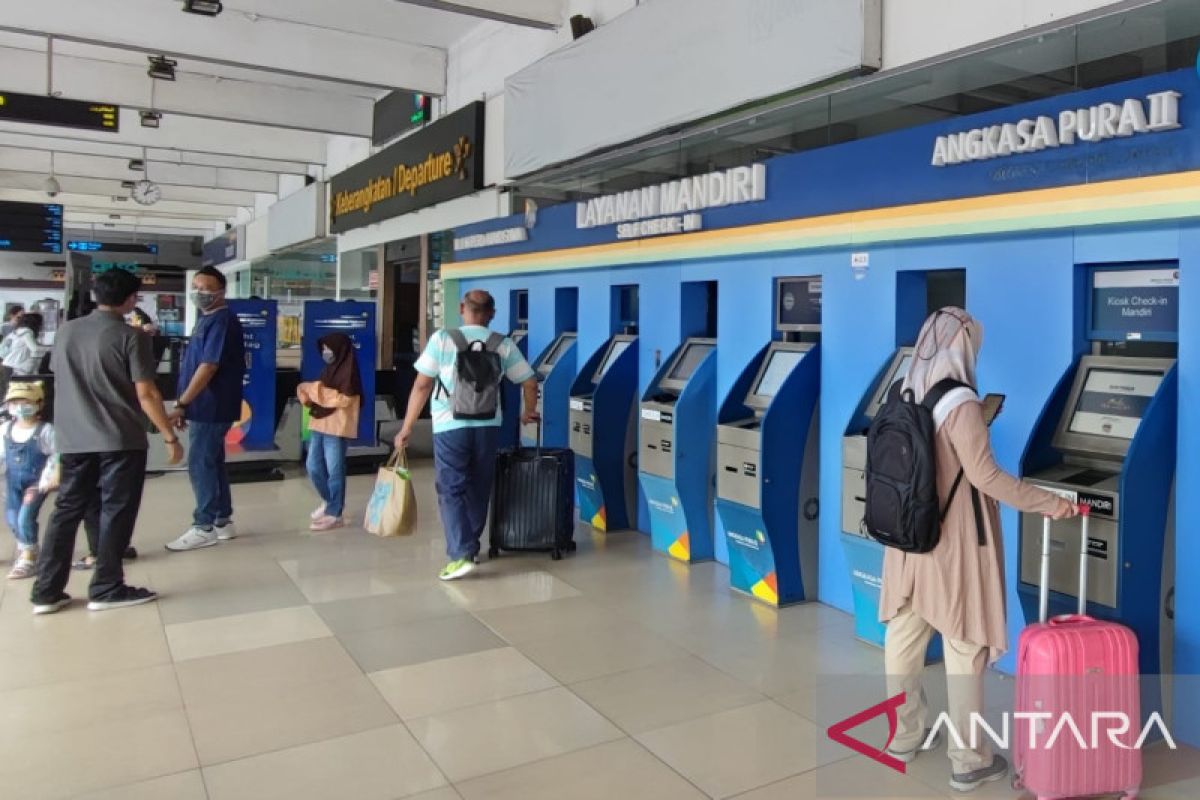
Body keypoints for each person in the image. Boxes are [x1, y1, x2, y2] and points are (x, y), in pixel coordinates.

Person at [878, 307, 1077, 791]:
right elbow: (986, 477)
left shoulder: (906, 386)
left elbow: (935, 452)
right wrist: (1051, 503)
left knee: (903, 636)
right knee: (963, 642)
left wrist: (977, 423)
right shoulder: (960, 400)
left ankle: (904, 735)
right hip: (953, 541)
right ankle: (967, 760)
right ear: (963, 345)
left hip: (907, 537)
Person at [30, 269, 183, 615]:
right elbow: (146, 393)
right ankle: (106, 586)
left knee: (66, 510)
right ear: (131, 300)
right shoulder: (131, 336)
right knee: (116, 510)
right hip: (119, 439)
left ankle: (46, 591)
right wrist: (170, 436)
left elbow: (61, 375)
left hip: (73, 438)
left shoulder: (66, 331)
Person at [394, 289, 538, 581]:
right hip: (488, 427)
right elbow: (530, 381)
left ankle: (460, 555)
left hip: (450, 426)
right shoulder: (502, 343)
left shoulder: (443, 339)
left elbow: (422, 386)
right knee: (479, 487)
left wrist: (407, 426)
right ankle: (469, 548)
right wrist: (528, 412)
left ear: (462, 308)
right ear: (492, 314)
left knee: (451, 489)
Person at [165, 267, 245, 552]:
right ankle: (222, 520)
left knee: (200, 463)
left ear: (221, 290)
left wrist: (182, 403)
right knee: (211, 461)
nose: (200, 292)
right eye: (196, 286)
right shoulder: (206, 319)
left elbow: (209, 366)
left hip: (213, 405)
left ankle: (204, 525)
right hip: (202, 406)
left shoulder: (222, 321)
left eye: (206, 287)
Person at [297, 333, 362, 532]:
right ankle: (330, 501)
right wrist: (310, 391)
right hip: (319, 422)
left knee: (335, 469)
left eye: (329, 348)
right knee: (313, 465)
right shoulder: (328, 370)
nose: (326, 352)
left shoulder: (349, 372)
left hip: (337, 427)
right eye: (324, 349)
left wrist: (312, 389)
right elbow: (315, 395)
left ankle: (335, 513)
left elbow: (344, 398)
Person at [1, 382, 56, 580]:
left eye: (26, 402)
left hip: (36, 482)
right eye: (15, 403)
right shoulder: (5, 430)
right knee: (12, 518)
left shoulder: (45, 431)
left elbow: (56, 455)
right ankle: (27, 546)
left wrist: (50, 476)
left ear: (39, 404)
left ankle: (28, 556)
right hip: (12, 482)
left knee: (25, 517)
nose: (20, 407)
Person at [1, 312, 45, 377]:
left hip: (7, 365)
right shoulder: (27, 332)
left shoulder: (16, 332)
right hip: (16, 368)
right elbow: (35, 349)